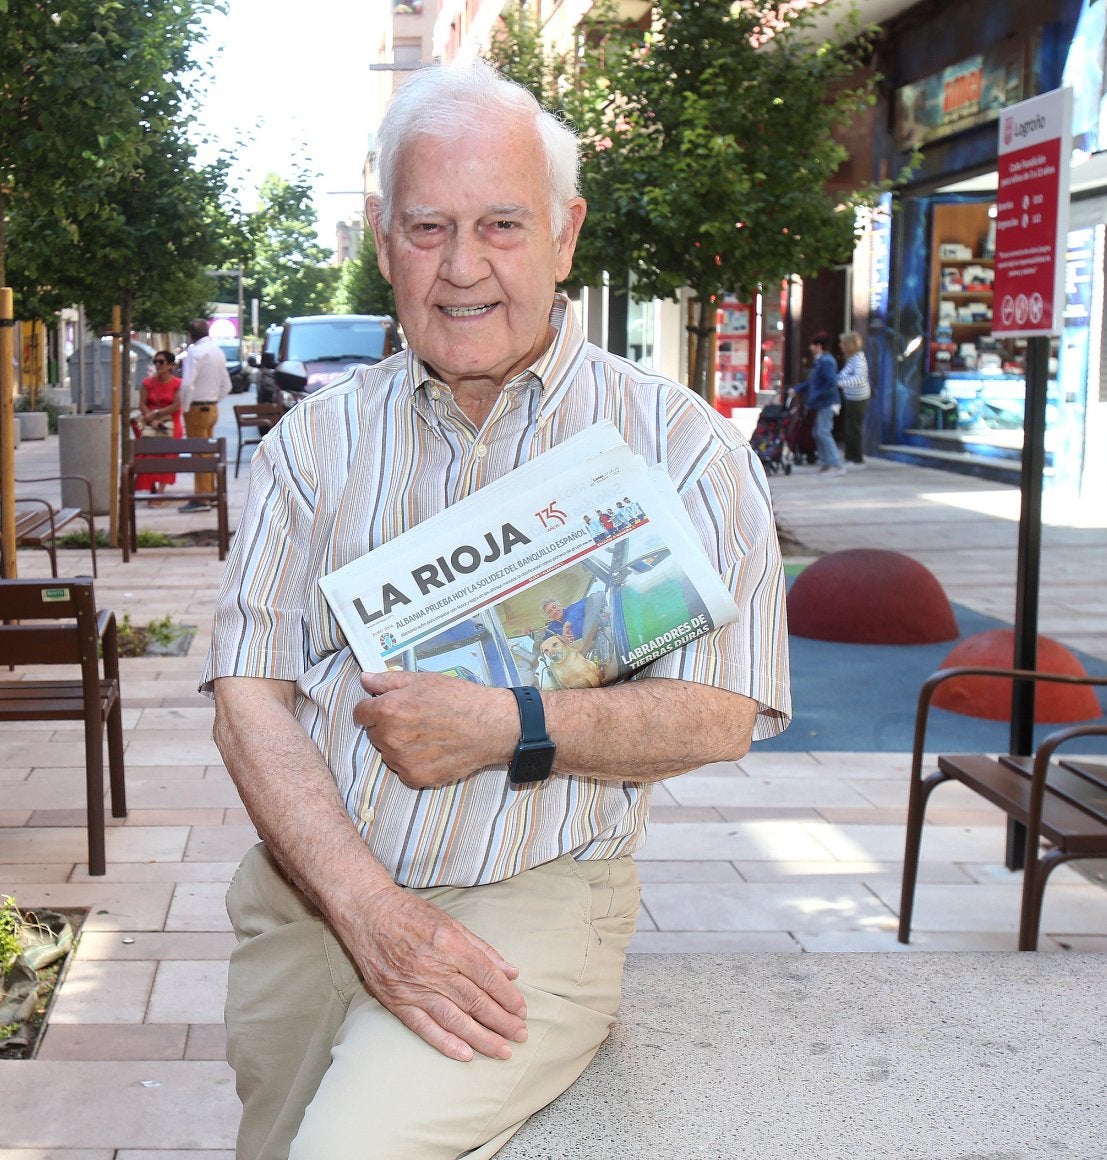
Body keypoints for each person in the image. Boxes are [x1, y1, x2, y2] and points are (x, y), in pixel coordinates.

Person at [205, 61, 790, 1160]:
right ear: (383, 238)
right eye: (428, 227)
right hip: (312, 891)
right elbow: (249, 698)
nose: (462, 267)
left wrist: (510, 723)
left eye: (501, 226)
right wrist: (366, 906)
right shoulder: (312, 444)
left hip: (533, 897)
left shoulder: (682, 449)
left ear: (565, 237)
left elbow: (724, 711)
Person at [178, 318, 229, 511]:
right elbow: (227, 385)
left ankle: (202, 497)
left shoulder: (194, 351)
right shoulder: (217, 351)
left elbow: (187, 384)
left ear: (190, 335)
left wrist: (185, 407)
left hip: (196, 408)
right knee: (208, 451)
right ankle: (211, 491)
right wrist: (214, 399)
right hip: (212, 407)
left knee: (199, 453)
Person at [134, 349, 184, 498]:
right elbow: (142, 404)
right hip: (150, 424)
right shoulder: (147, 383)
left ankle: (161, 488)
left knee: (168, 455)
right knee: (148, 454)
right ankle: (153, 489)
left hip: (171, 424)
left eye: (161, 362)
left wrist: (156, 414)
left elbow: (176, 405)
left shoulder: (177, 384)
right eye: (155, 362)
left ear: (170, 365)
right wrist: (151, 419)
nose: (158, 365)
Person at [805, 332, 845, 476]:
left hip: (826, 403)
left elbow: (830, 382)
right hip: (822, 402)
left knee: (823, 432)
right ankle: (826, 463)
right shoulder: (821, 360)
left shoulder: (826, 361)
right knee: (818, 433)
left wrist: (815, 396)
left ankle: (835, 464)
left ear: (819, 346)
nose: (810, 348)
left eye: (813, 345)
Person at [837, 331, 871, 465]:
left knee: (854, 428)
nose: (841, 346)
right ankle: (850, 456)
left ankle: (856, 458)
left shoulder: (858, 359)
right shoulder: (852, 359)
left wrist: (839, 383)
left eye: (843, 343)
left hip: (858, 399)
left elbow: (859, 378)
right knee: (850, 427)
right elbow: (844, 374)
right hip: (851, 397)